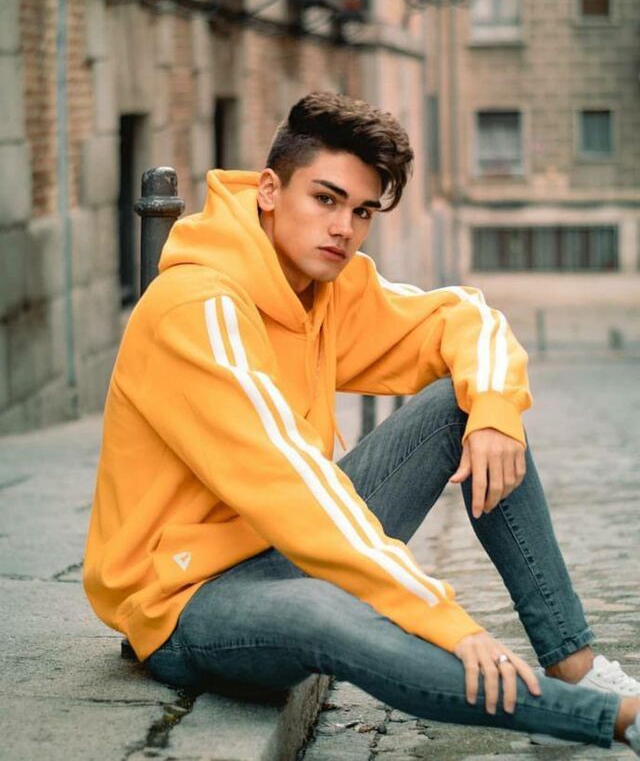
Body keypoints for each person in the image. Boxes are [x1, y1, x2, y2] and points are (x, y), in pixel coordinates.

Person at [83, 92, 640, 752]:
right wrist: (441, 617)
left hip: (278, 550)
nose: (343, 228)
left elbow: (464, 317)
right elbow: (293, 488)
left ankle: (578, 665)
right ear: (270, 190)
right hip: (185, 599)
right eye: (325, 198)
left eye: (362, 211)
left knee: (464, 404)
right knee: (327, 610)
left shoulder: (325, 287)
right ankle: (615, 719)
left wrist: (494, 411)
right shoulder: (198, 309)